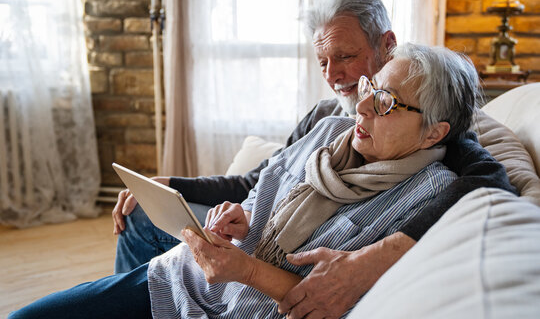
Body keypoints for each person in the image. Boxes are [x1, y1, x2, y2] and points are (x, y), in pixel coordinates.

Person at [112, 0, 516, 318]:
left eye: (344, 57)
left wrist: (375, 258)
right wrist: (173, 185)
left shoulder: (435, 137)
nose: (333, 75)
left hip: (258, 286)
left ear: (387, 46)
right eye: (323, 61)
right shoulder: (325, 119)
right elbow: (256, 181)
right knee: (140, 214)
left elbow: (490, 179)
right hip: (233, 257)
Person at [12, 43, 488, 319]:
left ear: (435, 132)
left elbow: (334, 303)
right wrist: (236, 219)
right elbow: (259, 193)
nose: (361, 106)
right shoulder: (328, 131)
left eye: (385, 102)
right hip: (179, 281)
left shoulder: (432, 198)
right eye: (370, 88)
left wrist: (246, 271)